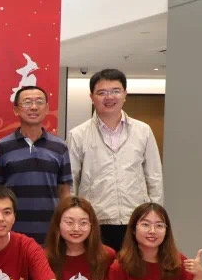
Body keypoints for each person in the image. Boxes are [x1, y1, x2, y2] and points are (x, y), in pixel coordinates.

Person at [68, 69, 163, 250]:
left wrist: (154, 217)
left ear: (125, 94)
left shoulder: (143, 131)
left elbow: (154, 177)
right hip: (94, 220)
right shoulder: (78, 134)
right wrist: (75, 220)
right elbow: (71, 180)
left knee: (134, 266)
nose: (109, 97)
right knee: (98, 267)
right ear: (91, 97)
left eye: (115, 91)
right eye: (102, 92)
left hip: (136, 219)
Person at [0, 86, 72, 244]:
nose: (34, 107)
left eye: (39, 102)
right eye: (27, 102)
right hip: (12, 231)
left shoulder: (60, 147)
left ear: (47, 108)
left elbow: (64, 192)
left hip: (50, 232)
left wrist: (65, 225)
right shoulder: (2, 147)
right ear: (16, 110)